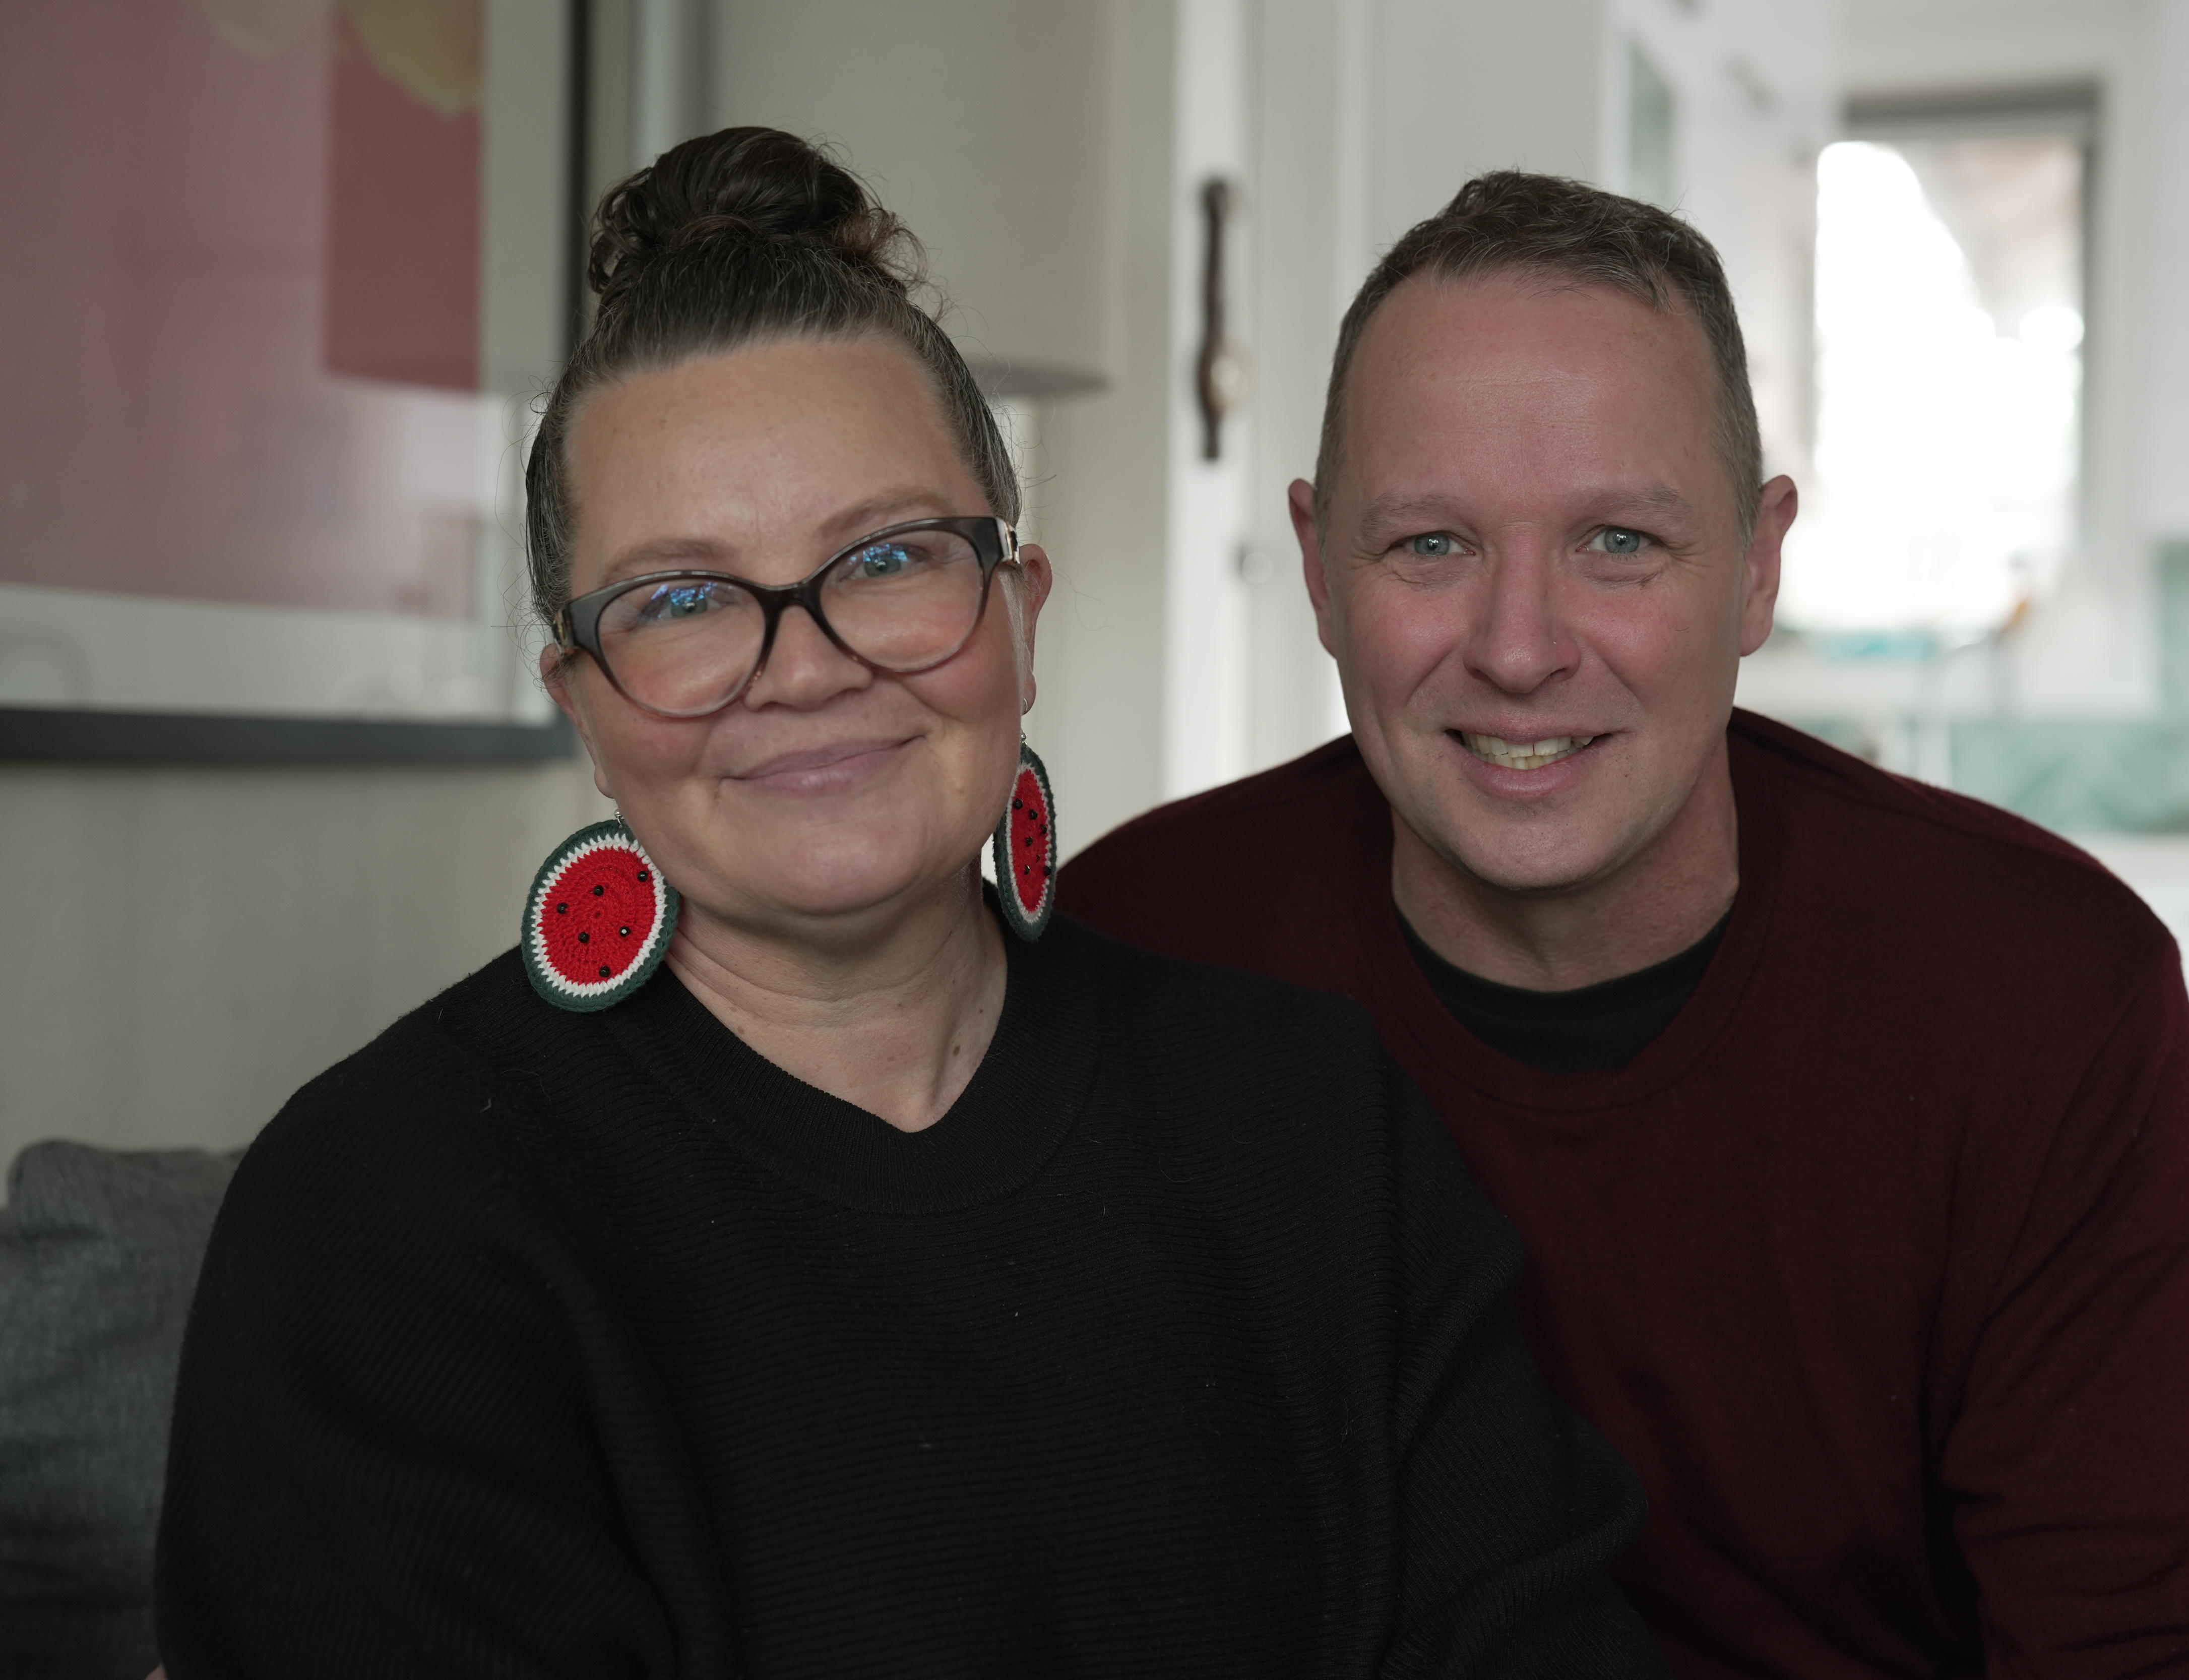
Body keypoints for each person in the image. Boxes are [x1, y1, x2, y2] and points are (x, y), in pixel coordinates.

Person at [152, 132, 1668, 1679]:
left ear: (1019, 615)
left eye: (886, 560)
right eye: (680, 600)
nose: (803, 667)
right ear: (583, 704)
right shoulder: (386, 1215)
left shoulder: (1316, 1121)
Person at [1059, 171, 2189, 1677]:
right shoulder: (1139, 949)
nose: (1520, 650)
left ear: (1759, 566)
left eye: (1621, 544)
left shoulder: (2042, 998)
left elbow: (2154, 1656)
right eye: (1430, 546)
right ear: (1322, 568)